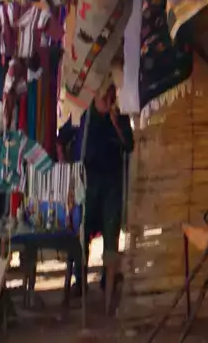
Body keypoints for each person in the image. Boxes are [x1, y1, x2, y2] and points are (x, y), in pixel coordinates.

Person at [81, 80, 133, 315]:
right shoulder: (86, 116)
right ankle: (80, 282)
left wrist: (116, 124)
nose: (108, 100)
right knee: (83, 234)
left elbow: (129, 145)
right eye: (105, 96)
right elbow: (70, 141)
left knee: (111, 238)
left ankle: (108, 294)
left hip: (112, 184)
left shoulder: (119, 116)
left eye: (111, 95)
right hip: (90, 185)